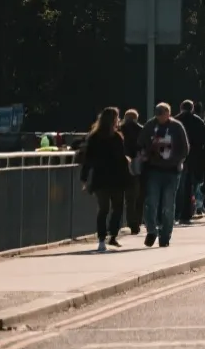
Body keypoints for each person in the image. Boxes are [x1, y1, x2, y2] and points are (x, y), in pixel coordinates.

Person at [137, 102, 191, 248]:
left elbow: (185, 148)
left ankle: (165, 235)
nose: (160, 116)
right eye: (158, 113)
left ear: (168, 113)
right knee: (151, 203)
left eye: (163, 113)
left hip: (172, 171)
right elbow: (141, 143)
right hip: (154, 170)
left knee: (168, 204)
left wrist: (179, 160)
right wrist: (144, 153)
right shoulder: (150, 126)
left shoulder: (176, 126)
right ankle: (152, 231)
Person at [82, 107, 130, 251]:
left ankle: (102, 239)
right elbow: (121, 159)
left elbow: (87, 160)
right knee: (117, 208)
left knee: (103, 209)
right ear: (114, 120)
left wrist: (84, 178)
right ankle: (113, 236)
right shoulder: (117, 137)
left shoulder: (94, 137)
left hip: (100, 178)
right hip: (116, 178)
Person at [119, 108, 145, 236]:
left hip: (120, 165)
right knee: (135, 197)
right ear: (136, 118)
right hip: (136, 166)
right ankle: (135, 222)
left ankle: (117, 224)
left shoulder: (119, 129)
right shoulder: (141, 129)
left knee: (119, 197)